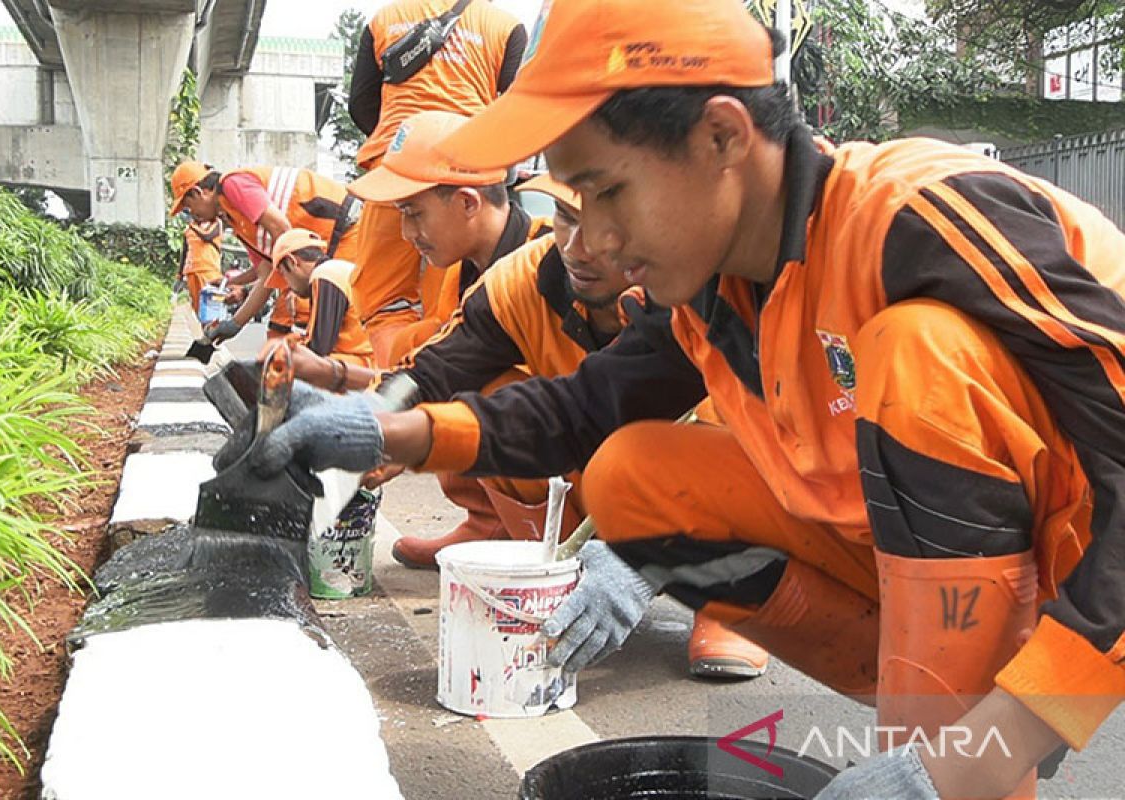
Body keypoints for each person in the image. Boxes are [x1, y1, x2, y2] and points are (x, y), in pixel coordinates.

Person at [231, 0, 1125, 796]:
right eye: (577, 199)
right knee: (630, 478)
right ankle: (934, 712)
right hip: (916, 579)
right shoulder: (712, 285)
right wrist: (385, 429)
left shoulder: (916, 222)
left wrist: (962, 761)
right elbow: (580, 412)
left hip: (1082, 596)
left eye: (609, 190)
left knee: (918, 356)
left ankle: (972, 755)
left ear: (724, 137)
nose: (600, 240)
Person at [380, 171, 770, 678]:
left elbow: (765, 457)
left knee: (712, 439)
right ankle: (550, 567)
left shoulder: (703, 289)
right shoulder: (522, 280)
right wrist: (370, 422)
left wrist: (641, 561)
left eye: (604, 224)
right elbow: (434, 369)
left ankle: (728, 603)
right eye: (565, 217)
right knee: (480, 402)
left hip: (707, 479)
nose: (577, 247)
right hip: (598, 457)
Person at [347, 109, 552, 569]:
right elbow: (434, 369)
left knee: (493, 395)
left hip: (603, 460)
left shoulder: (551, 260)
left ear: (466, 202)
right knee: (432, 386)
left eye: (414, 213)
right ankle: (487, 524)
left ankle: (541, 551)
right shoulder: (459, 271)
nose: (406, 234)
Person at [347, 0, 527, 366]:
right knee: (449, 302)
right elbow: (515, 107)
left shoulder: (385, 19)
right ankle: (438, 380)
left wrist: (404, 148)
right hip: (467, 170)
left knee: (382, 302)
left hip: (394, 170)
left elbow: (361, 104)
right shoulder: (505, 25)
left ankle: (395, 387)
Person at [169, 161, 360, 344]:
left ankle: (358, 371)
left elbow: (280, 227)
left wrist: (297, 282)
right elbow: (266, 274)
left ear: (197, 192)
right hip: (313, 251)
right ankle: (283, 372)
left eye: (188, 206)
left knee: (325, 318)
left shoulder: (232, 184)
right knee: (278, 327)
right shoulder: (237, 222)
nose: (192, 214)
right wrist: (234, 324)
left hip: (343, 229)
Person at [263, 228, 376, 392]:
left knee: (297, 367)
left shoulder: (326, 274)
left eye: (284, 275)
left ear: (293, 262)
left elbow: (319, 350)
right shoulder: (335, 271)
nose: (288, 285)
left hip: (362, 367)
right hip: (364, 362)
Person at [178, 217, 225, 315]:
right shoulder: (188, 230)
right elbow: (184, 252)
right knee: (197, 306)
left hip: (210, 271)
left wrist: (193, 227)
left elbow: (207, 237)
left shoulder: (216, 223)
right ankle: (202, 329)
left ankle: (211, 328)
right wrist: (180, 274)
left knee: (210, 305)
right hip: (191, 271)